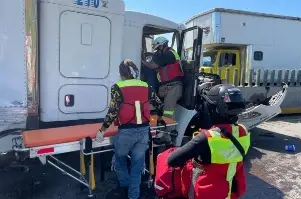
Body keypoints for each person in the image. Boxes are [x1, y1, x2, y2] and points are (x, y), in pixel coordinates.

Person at [96, 59, 165, 199]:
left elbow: (113, 111)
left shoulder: (118, 87)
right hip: (144, 132)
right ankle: (133, 195)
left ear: (122, 73)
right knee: (137, 166)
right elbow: (158, 104)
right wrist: (159, 117)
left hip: (126, 132)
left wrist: (102, 130)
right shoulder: (146, 86)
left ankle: (125, 187)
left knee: (119, 160)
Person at [167, 84, 251, 199]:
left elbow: (172, 160)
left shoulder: (206, 138)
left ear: (215, 109)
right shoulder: (243, 132)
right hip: (229, 192)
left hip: (206, 194)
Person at [141, 36, 184, 119]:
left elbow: (154, 65)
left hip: (173, 87)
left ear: (163, 45)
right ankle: (157, 126)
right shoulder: (165, 54)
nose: (157, 50)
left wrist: (143, 62)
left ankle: (170, 131)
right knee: (153, 106)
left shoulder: (169, 54)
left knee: (168, 112)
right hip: (166, 87)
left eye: (158, 48)